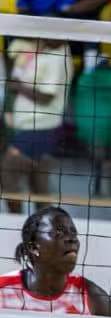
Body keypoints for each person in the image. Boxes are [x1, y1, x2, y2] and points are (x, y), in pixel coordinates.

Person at [2, 33, 74, 211]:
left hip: (40, 127)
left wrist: (17, 86)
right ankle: (44, 223)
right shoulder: (42, 49)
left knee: (7, 172)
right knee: (38, 185)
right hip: (31, 126)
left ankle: (14, 221)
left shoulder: (59, 58)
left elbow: (47, 97)